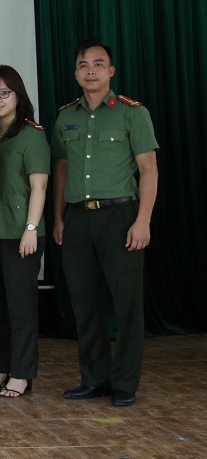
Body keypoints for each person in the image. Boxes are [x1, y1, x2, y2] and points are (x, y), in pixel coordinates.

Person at [52, 41, 158, 407]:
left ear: (111, 71)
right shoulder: (66, 116)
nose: (91, 71)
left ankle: (125, 382)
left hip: (121, 216)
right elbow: (61, 170)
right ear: (76, 73)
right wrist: (59, 217)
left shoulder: (133, 113)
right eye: (84, 65)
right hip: (78, 218)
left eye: (99, 64)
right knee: (84, 302)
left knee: (126, 304)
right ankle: (94, 378)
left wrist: (142, 221)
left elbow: (148, 169)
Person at [0, 66, 49, 399]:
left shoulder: (32, 134)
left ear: (18, 95)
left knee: (20, 305)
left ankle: (22, 373)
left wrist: (31, 228)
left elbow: (40, 185)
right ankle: (1, 368)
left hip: (21, 232)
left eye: (5, 92)